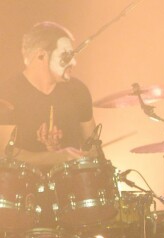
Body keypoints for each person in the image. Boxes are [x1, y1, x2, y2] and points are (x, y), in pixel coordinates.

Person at [0, 21, 97, 168]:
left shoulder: (78, 90)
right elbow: (4, 154)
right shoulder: (8, 92)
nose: (74, 62)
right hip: (24, 189)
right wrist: (55, 157)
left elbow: (93, 147)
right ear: (41, 55)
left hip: (73, 187)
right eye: (66, 55)